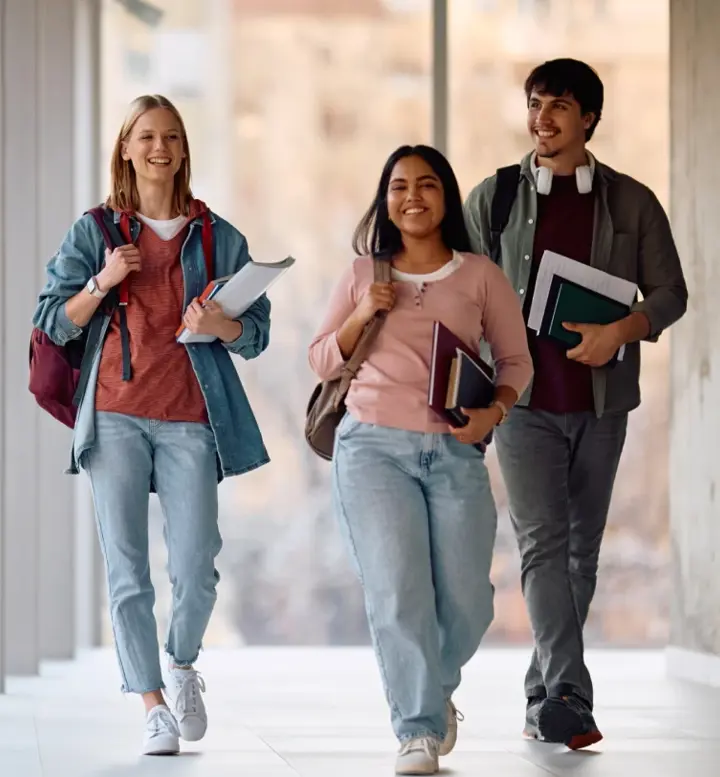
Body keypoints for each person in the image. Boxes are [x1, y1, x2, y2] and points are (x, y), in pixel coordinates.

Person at [33, 95, 271, 756]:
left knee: (197, 565)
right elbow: (55, 319)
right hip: (113, 416)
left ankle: (183, 661)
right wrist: (103, 281)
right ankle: (151, 702)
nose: (159, 147)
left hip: (191, 417)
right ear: (126, 148)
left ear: (184, 149)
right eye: (146, 136)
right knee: (128, 571)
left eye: (170, 136)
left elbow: (256, 335)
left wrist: (222, 325)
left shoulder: (220, 236)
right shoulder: (96, 231)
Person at [464, 59, 688, 749]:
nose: (542, 119)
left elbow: (671, 294)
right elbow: (458, 288)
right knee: (542, 545)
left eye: (558, 106)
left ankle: (543, 693)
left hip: (602, 402)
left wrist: (619, 331)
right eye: (535, 105)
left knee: (581, 553)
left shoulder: (632, 202)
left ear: (588, 116)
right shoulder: (494, 197)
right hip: (522, 401)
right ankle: (570, 693)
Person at [309, 145, 533, 775]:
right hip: (372, 449)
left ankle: (432, 693)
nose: (413, 196)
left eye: (427, 184)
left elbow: (517, 362)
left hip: (455, 449)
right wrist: (363, 311)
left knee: (469, 600)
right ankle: (417, 731)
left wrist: (494, 414)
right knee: (398, 591)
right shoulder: (362, 272)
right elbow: (323, 360)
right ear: (385, 199)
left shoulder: (481, 275)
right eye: (399, 185)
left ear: (447, 196)